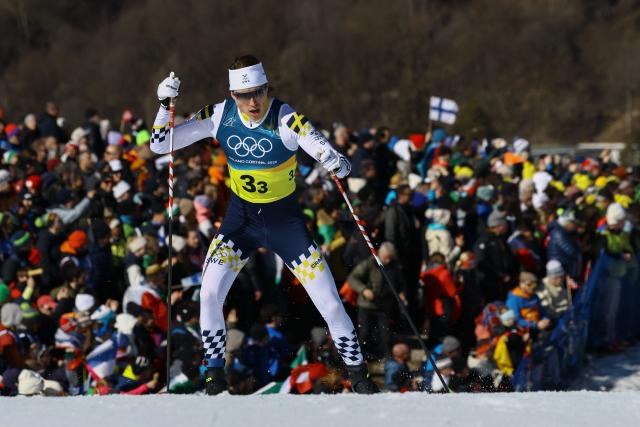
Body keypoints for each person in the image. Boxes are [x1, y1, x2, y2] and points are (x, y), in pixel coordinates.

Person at [150, 55, 377, 394]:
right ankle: (213, 376)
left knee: (330, 303)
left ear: (267, 87)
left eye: (258, 92)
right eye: (244, 96)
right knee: (210, 293)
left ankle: (360, 377)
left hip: (285, 225)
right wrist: (164, 105)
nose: (253, 102)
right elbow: (159, 145)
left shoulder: (286, 118)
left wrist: (336, 161)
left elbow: (334, 160)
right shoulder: (219, 115)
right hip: (241, 223)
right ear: (232, 95)